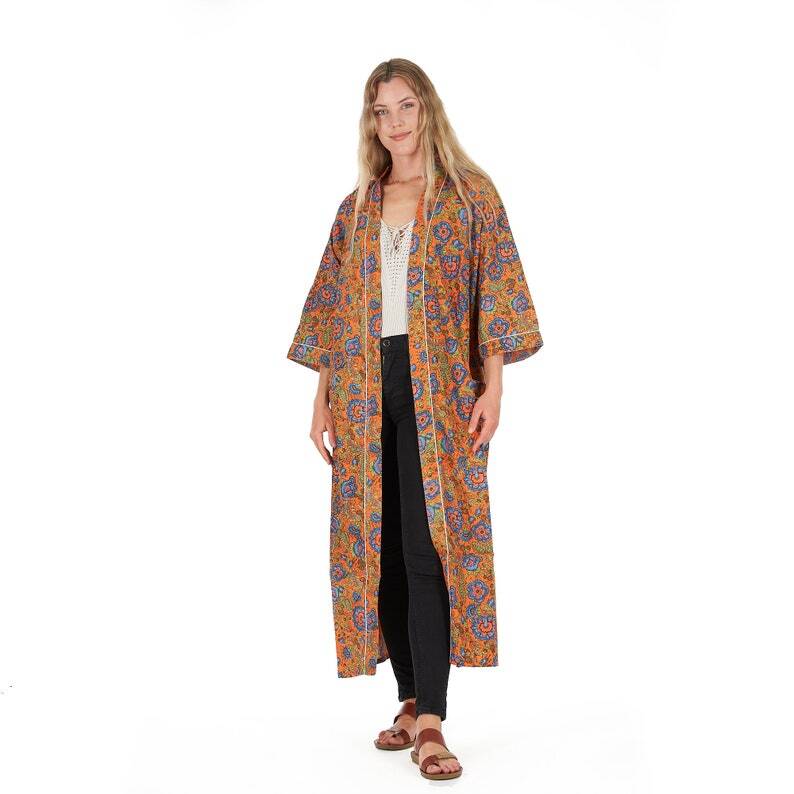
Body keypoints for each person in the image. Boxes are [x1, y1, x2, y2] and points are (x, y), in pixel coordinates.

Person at [286, 58, 544, 781]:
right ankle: (407, 698)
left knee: (430, 544)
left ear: (427, 108)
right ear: (370, 123)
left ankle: (432, 718)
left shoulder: (469, 196)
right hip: (364, 388)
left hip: (440, 388)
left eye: (405, 105)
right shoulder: (357, 208)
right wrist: (321, 398)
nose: (394, 122)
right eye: (381, 110)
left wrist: (494, 386)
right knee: (384, 547)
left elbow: (497, 289)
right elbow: (333, 307)